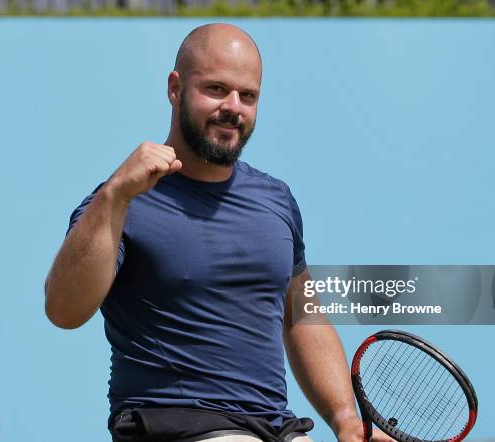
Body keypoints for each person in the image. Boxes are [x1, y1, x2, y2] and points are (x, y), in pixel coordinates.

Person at [44, 23, 394, 442]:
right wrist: (116, 196)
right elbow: (63, 310)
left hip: (274, 427)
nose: (234, 107)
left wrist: (345, 419)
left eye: (247, 96)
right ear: (175, 88)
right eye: (216, 89)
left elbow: (301, 316)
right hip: (173, 426)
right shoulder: (121, 200)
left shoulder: (276, 199)